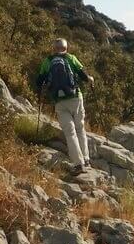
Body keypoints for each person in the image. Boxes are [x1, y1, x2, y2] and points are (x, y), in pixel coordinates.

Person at [37, 38, 94, 174]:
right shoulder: (71, 58)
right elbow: (83, 75)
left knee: (70, 132)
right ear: (66, 48)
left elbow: (39, 81)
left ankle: (78, 164)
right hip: (75, 98)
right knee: (80, 129)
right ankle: (86, 159)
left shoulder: (48, 61)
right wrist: (91, 79)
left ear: (54, 49)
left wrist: (42, 91)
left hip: (59, 101)